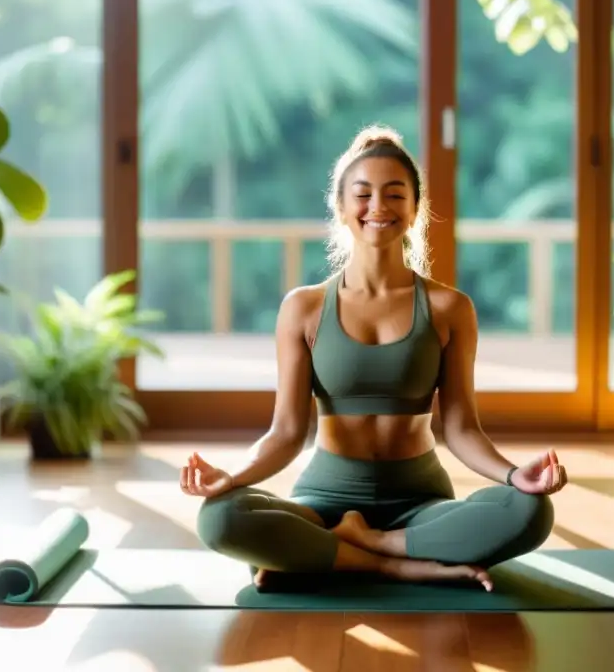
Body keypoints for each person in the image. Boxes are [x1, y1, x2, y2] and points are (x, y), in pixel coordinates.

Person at [179, 125, 568, 592]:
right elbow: (285, 433)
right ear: (341, 208)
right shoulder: (303, 309)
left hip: (419, 504)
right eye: (362, 194)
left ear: (415, 207)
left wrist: (512, 474)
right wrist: (231, 477)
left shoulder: (450, 308)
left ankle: (352, 549)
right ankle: (393, 563)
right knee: (221, 519)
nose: (378, 207)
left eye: (394, 194)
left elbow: (462, 428)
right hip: (322, 502)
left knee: (530, 510)